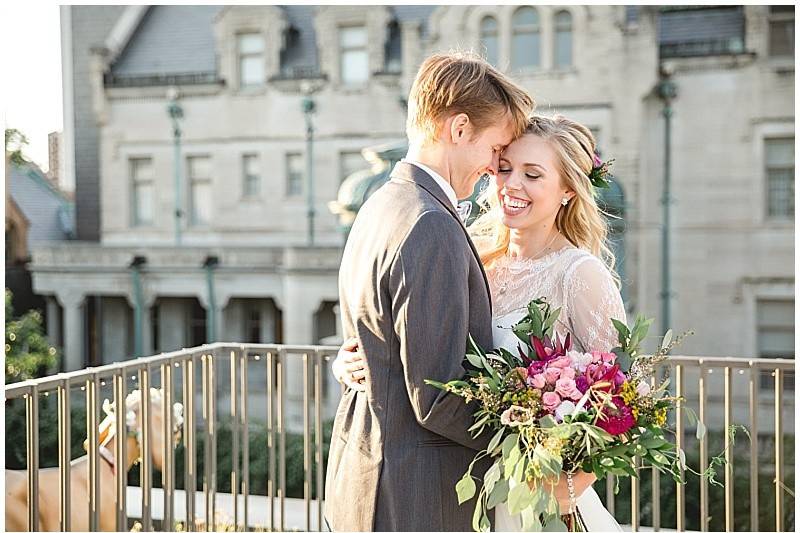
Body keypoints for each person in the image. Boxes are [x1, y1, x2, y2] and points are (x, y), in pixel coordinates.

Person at [334, 114, 625, 531]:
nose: (511, 185)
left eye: (533, 174)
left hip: (542, 496)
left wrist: (572, 485)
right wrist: (345, 363)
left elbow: (621, 399)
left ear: (566, 191)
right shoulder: (475, 255)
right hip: (469, 484)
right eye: (504, 168)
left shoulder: (579, 273)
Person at [324, 51, 533, 532]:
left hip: (364, 474)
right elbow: (437, 395)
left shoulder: (381, 202)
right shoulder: (431, 224)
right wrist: (536, 435)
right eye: (495, 147)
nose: (494, 167)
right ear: (459, 129)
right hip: (415, 495)